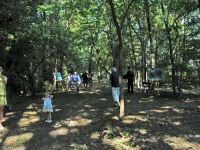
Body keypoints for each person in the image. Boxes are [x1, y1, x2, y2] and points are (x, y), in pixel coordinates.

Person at [0, 65, 7, 131]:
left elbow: (5, 82)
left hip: (2, 96)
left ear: (2, 70)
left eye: (0, 69)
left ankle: (0, 124)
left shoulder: (4, 77)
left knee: (1, 111)